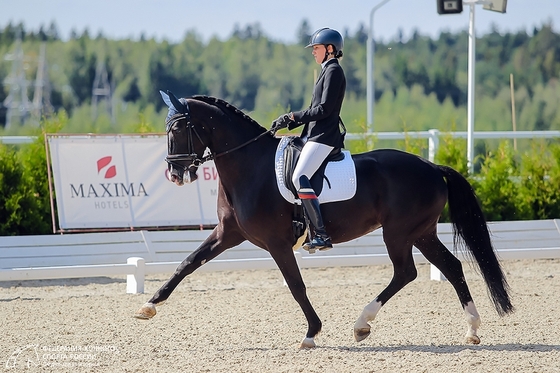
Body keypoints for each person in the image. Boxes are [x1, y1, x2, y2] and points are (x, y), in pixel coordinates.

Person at [271, 27, 346, 252]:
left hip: (324, 137)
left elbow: (323, 109)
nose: (313, 52)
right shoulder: (326, 70)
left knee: (299, 176)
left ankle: (321, 234)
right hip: (315, 134)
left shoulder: (333, 71)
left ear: (330, 49)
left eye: (316, 48)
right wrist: (291, 123)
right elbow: (315, 109)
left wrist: (292, 116)